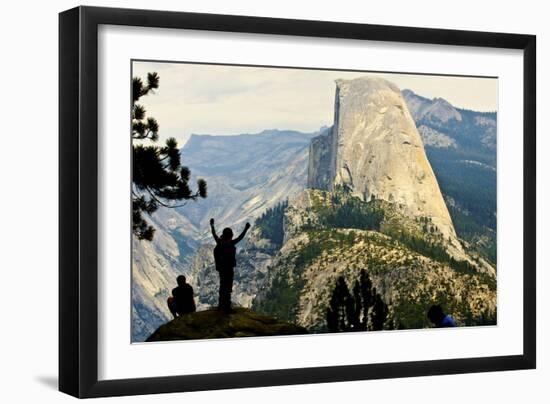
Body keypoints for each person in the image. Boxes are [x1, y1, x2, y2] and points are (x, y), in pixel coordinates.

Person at [210, 218, 251, 311]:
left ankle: (221, 305)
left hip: (221, 268)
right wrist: (246, 229)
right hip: (228, 268)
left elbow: (213, 233)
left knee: (222, 286)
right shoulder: (231, 243)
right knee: (228, 287)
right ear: (230, 235)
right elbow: (240, 237)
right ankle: (227, 306)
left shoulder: (219, 242)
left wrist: (212, 225)